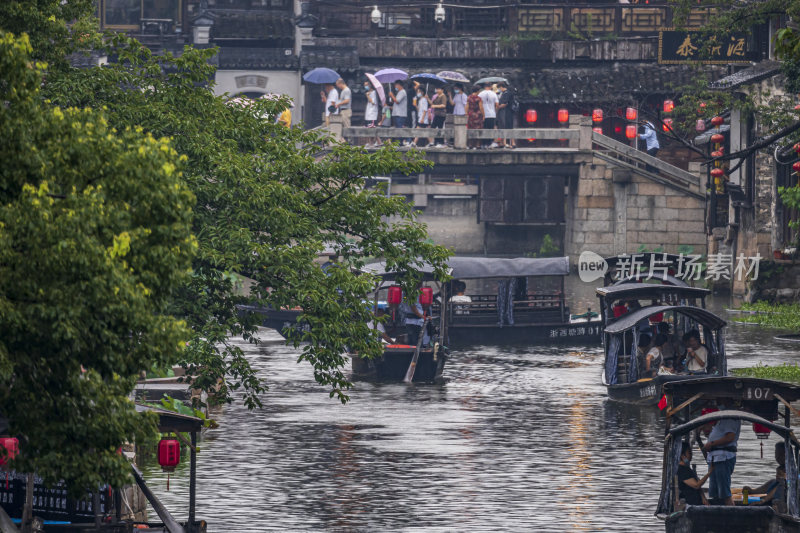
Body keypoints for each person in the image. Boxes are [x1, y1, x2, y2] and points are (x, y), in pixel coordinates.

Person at [702, 407, 741, 506]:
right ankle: (718, 514)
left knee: (725, 494)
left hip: (723, 458)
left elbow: (730, 437)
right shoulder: (717, 426)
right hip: (714, 460)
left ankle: (732, 514)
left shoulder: (729, 418)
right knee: (715, 493)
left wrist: (712, 443)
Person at [743, 441, 787, 511]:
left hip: (783, 503)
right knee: (773, 481)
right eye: (776, 454)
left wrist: (763, 501)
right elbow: (774, 485)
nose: (778, 457)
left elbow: (779, 487)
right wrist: (751, 491)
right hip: (772, 499)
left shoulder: (791, 473)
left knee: (782, 484)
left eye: (781, 454)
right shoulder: (778, 473)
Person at [678, 441, 712, 506]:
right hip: (690, 505)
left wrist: (703, 497)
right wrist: (709, 473)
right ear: (682, 455)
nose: (691, 455)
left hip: (698, 501)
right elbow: (696, 485)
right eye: (689, 453)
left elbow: (699, 485)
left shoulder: (687, 469)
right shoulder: (681, 470)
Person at [478, 83, 499, 148]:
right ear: (490, 87)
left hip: (483, 114)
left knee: (484, 128)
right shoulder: (493, 93)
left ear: (484, 87)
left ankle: (483, 144)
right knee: (491, 129)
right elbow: (497, 104)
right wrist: (495, 111)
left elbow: (479, 104)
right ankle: (490, 143)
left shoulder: (480, 94)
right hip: (492, 114)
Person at [496, 82, 516, 149]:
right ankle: (512, 143)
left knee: (507, 127)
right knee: (509, 127)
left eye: (499, 88)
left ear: (501, 87)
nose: (499, 89)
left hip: (507, 112)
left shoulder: (506, 94)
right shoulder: (508, 93)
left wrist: (497, 107)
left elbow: (505, 104)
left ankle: (511, 143)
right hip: (509, 112)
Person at [363, 79, 381, 148]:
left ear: (370, 85)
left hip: (372, 114)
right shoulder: (369, 92)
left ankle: (379, 142)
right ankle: (371, 142)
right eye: (364, 85)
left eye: (366, 85)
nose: (365, 86)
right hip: (369, 113)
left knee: (372, 128)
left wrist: (368, 96)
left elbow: (373, 102)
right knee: (369, 128)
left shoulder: (374, 92)